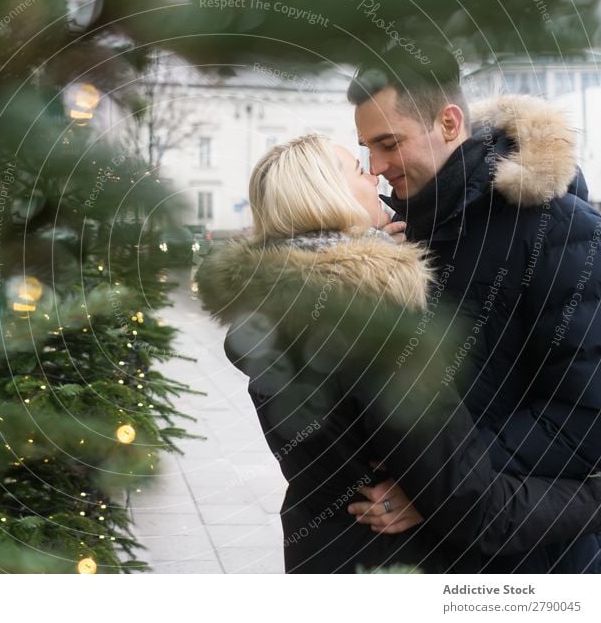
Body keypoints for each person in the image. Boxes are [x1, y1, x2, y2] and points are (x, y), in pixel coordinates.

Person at [195, 133, 601, 574]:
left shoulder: (278, 312)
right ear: (328, 197)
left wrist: (375, 250)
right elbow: (482, 513)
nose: (373, 174)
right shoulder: (378, 332)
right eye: (357, 169)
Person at [348, 43, 601, 572]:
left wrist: (441, 488)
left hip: (530, 560)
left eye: (388, 143)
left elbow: (582, 414)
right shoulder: (401, 235)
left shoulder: (560, 229)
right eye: (366, 148)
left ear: (447, 122)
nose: (376, 167)